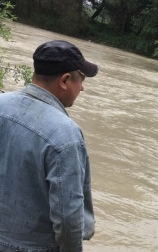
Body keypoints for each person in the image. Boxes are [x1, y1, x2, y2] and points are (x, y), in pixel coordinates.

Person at [0, 40, 98, 251]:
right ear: (64, 81)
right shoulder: (65, 135)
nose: (82, 87)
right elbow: (68, 218)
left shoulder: (1, 104)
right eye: (80, 80)